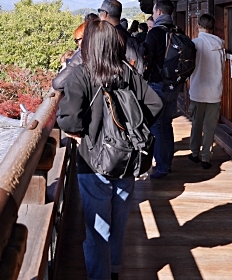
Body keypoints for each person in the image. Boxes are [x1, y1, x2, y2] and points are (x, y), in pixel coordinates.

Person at [57, 19, 163, 280]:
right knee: (118, 220)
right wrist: (133, 130)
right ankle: (115, 268)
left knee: (97, 229)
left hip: (93, 163)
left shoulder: (81, 74)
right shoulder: (126, 72)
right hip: (126, 159)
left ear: (89, 45)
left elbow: (68, 119)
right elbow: (155, 103)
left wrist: (82, 135)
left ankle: (99, 275)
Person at [141, 0, 188, 179]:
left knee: (156, 126)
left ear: (159, 12)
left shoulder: (154, 34)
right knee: (167, 123)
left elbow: (146, 59)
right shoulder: (178, 31)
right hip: (174, 85)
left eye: (154, 11)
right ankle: (166, 161)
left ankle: (162, 166)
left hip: (157, 84)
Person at [189, 13, 225, 169]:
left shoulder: (194, 44)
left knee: (196, 123)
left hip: (197, 89)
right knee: (210, 126)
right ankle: (206, 157)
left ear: (199, 26)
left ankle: (194, 153)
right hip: (215, 91)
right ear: (212, 27)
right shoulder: (220, 45)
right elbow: (222, 67)